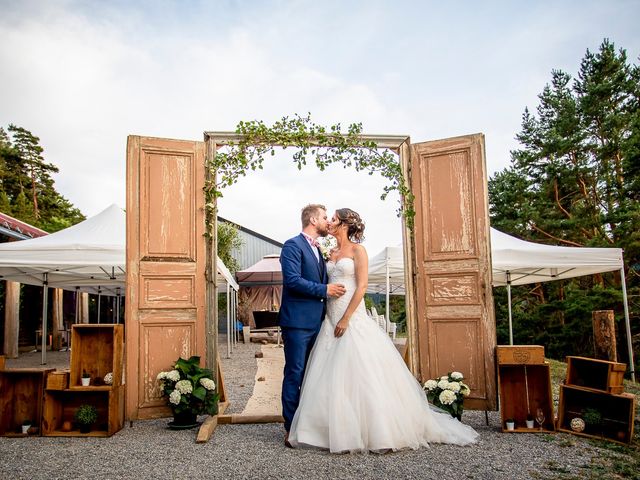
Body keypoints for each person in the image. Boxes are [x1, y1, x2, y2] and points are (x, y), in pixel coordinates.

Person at [288, 208, 479, 452]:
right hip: (329, 319)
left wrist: (346, 318)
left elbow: (362, 286)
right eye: (329, 218)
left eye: (334, 218)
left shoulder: (358, 251)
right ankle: (325, 430)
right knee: (326, 375)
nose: (330, 222)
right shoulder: (329, 253)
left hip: (350, 317)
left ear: (345, 224)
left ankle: (375, 430)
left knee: (361, 373)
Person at [279, 204, 346, 448]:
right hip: (297, 322)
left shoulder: (319, 250)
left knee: (312, 375)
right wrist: (325, 289)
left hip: (319, 322)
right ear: (313, 219)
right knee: (295, 373)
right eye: (325, 217)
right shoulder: (292, 246)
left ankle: (307, 425)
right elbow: (293, 281)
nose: (328, 221)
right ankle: (290, 427)